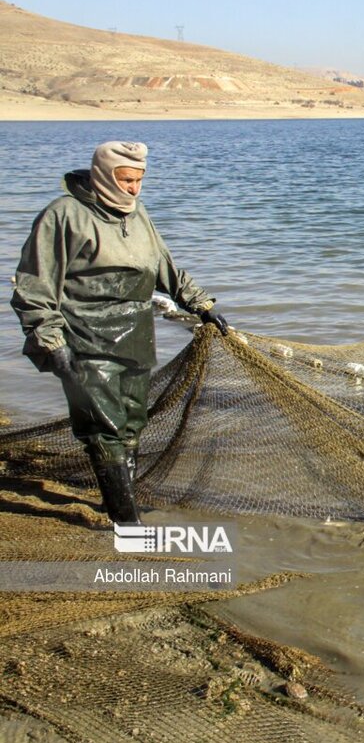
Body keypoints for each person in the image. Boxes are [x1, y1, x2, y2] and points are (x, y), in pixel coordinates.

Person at [10, 141, 230, 525]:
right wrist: (49, 338)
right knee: (103, 427)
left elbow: (163, 265)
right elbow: (34, 284)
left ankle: (118, 501)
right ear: (103, 175)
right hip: (84, 336)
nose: (133, 189)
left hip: (135, 335)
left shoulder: (138, 214)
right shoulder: (63, 215)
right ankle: (125, 521)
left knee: (130, 421)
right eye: (126, 180)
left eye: (139, 180)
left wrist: (200, 303)